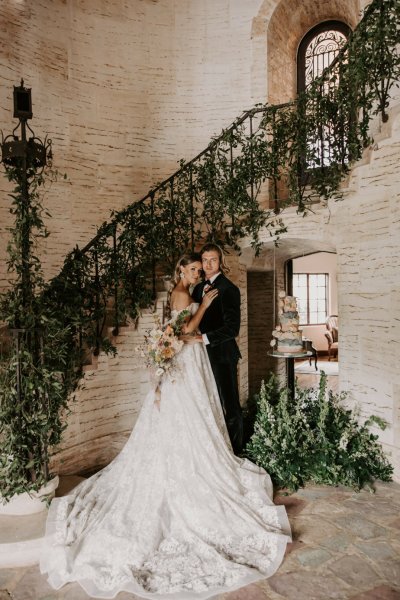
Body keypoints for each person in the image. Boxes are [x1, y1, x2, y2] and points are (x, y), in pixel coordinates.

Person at [40, 253, 291, 600]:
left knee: (202, 412)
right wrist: (201, 307)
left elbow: (180, 332)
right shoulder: (185, 294)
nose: (198, 270)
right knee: (190, 415)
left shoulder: (193, 290)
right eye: (193, 267)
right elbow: (186, 328)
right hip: (188, 360)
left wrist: (192, 325)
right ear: (182, 271)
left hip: (192, 360)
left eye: (200, 266)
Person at [192, 243, 243, 455]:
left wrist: (202, 338)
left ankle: (238, 451)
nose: (208, 264)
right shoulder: (197, 288)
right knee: (208, 402)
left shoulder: (229, 289)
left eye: (213, 260)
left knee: (230, 404)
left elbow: (233, 328)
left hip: (223, 355)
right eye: (205, 260)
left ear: (220, 261)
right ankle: (218, 450)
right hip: (201, 355)